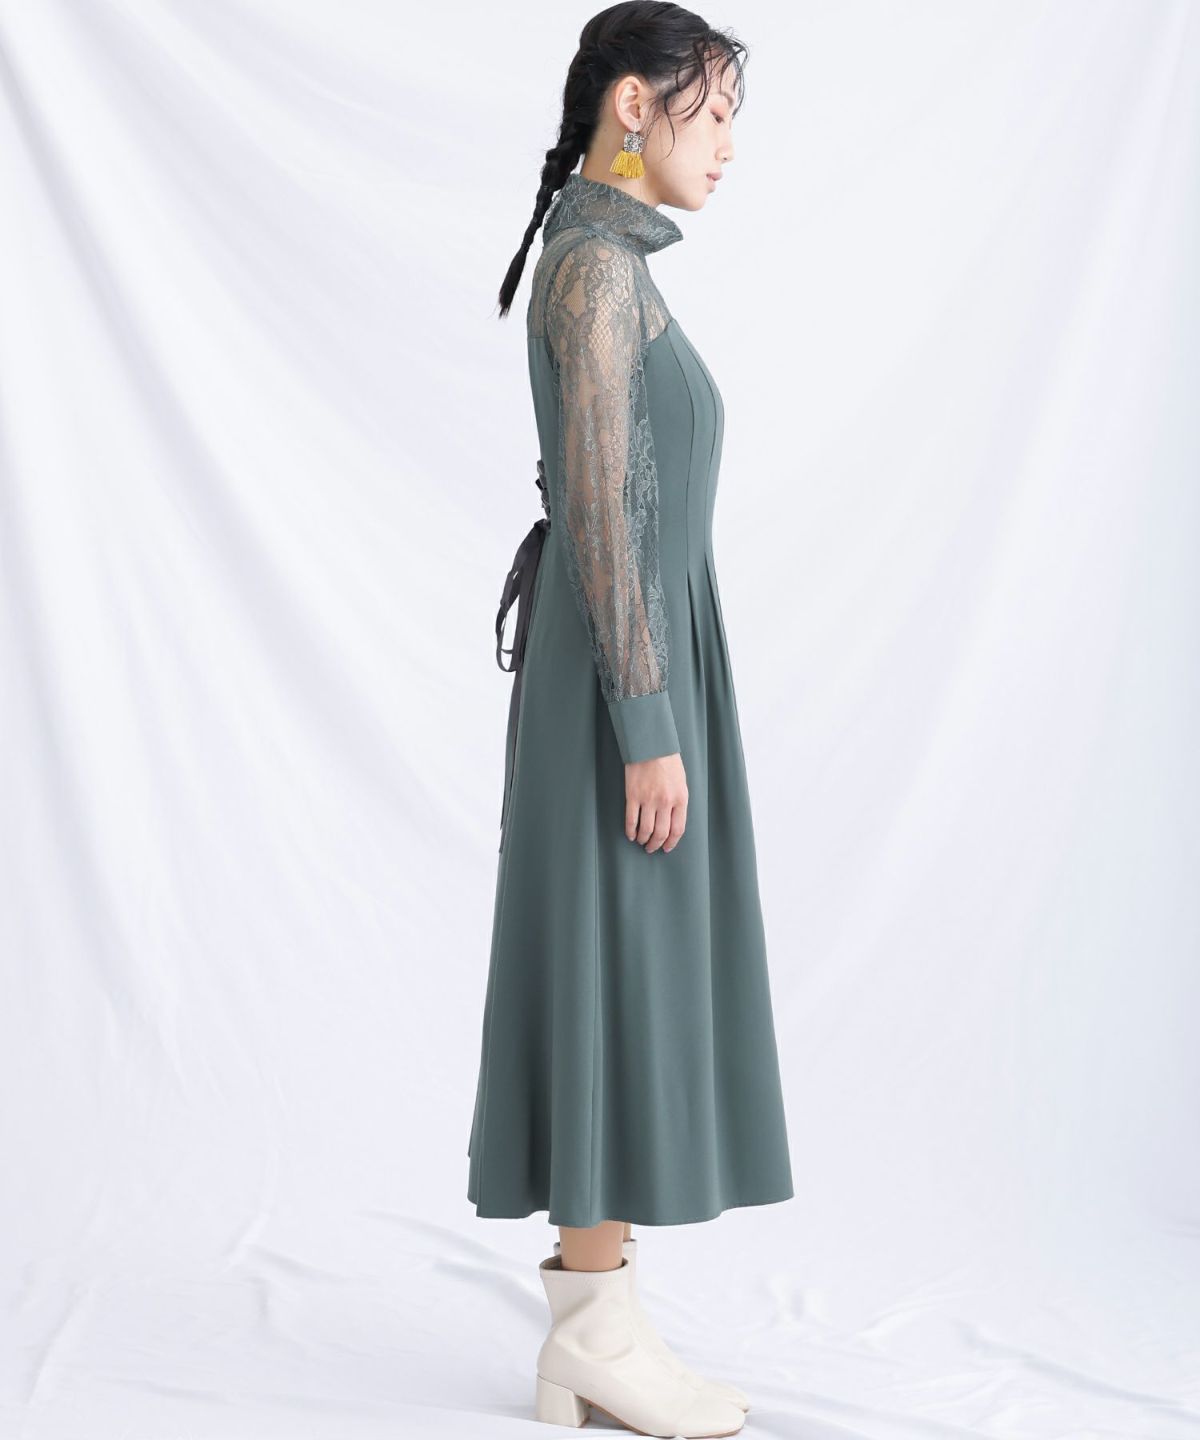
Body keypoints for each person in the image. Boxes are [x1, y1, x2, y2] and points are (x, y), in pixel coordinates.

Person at [469, 4, 792, 1434]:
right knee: (607, 973)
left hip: (633, 666)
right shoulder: (596, 270)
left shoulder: (610, 262)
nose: (727, 147)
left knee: (622, 973)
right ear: (633, 106)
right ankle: (595, 1339)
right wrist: (648, 722)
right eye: (711, 113)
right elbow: (603, 510)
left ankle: (595, 1334)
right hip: (621, 682)